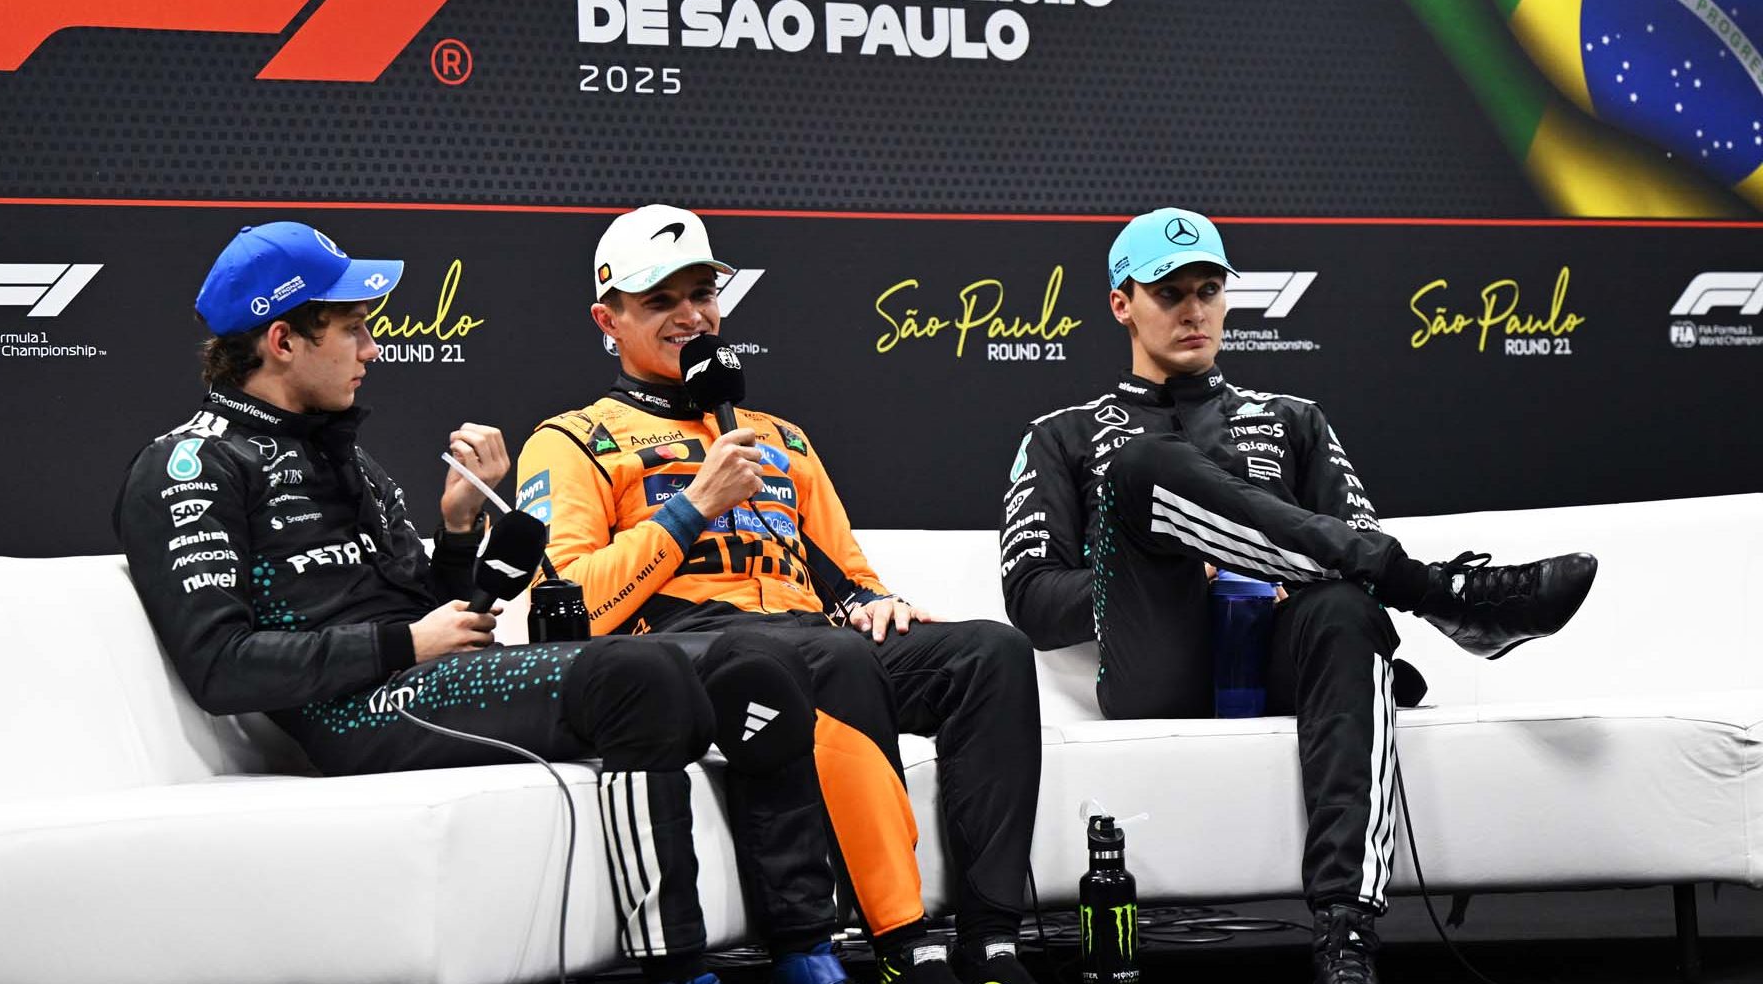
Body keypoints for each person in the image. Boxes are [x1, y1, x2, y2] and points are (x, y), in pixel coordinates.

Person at [114, 222, 863, 984]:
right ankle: (674, 967)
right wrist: (407, 646)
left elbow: (432, 607)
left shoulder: (351, 460)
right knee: (642, 675)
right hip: (352, 712)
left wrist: (457, 530)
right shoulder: (190, 465)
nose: (373, 350)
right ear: (282, 341)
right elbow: (221, 669)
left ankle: (807, 950)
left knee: (750, 666)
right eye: (353, 329)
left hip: (420, 679)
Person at [999, 207, 1598, 984]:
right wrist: (1175, 564)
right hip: (1159, 662)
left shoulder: (1290, 420)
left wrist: (1274, 572)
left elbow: (1353, 556)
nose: (1194, 310)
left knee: (1347, 608)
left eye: (1209, 289)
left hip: (1282, 656)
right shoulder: (1066, 434)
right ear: (1122, 303)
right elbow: (1032, 597)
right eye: (1169, 292)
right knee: (1146, 468)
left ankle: (1346, 931)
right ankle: (1444, 594)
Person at [514, 205, 1043, 984]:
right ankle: (903, 945)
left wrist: (875, 602)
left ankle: (993, 939)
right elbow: (571, 608)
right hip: (689, 653)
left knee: (989, 653)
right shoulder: (571, 440)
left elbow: (845, 572)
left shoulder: (781, 436)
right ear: (609, 319)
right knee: (825, 657)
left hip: (813, 640)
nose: (690, 316)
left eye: (702, 294)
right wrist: (693, 503)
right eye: (660, 301)